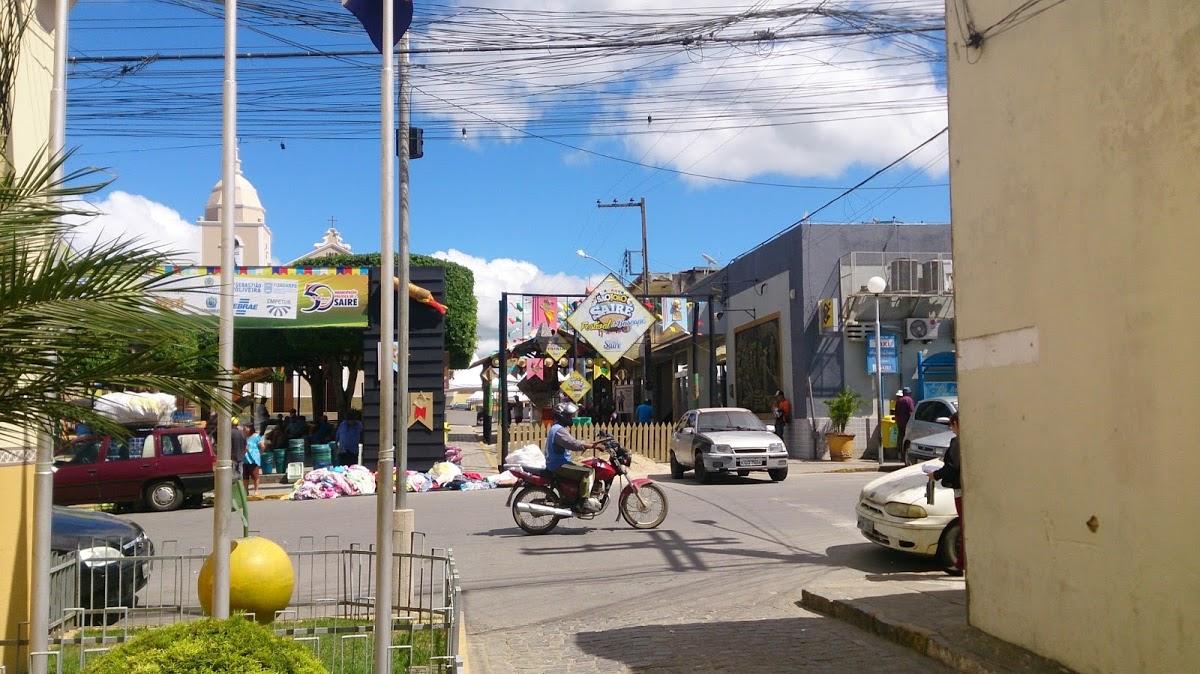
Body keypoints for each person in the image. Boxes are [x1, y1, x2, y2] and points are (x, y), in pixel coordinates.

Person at [545, 402, 602, 511]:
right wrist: (593, 446)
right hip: (559, 465)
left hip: (558, 462)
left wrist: (589, 444)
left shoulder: (558, 428)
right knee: (588, 471)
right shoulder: (559, 430)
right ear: (562, 416)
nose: (572, 418)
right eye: (569, 416)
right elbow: (573, 444)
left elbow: (573, 442)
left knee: (586, 465)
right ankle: (583, 502)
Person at [931, 412, 963, 576]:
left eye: (952, 425)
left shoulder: (957, 442)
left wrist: (935, 475)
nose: (951, 429)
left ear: (957, 423)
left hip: (960, 489)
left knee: (964, 526)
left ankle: (960, 563)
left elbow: (951, 467)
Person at [894, 387, 916, 462]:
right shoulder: (909, 400)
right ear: (908, 393)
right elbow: (911, 412)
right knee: (908, 439)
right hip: (907, 423)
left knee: (900, 438)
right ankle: (906, 456)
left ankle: (900, 455)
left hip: (900, 423)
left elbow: (896, 413)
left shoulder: (899, 401)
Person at [242, 423, 262, 495]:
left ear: (250, 428)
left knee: (255, 475)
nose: (244, 429)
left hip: (253, 459)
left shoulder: (256, 436)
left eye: (245, 428)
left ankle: (256, 490)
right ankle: (246, 490)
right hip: (245, 459)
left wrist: (258, 454)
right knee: (245, 476)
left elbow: (262, 446)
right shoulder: (244, 437)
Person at [230, 419, 248, 485]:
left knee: (233, 473)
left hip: (232, 457)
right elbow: (246, 447)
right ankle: (240, 487)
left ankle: (234, 488)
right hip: (241, 457)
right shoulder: (242, 433)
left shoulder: (229, 432)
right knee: (240, 473)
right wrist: (243, 454)